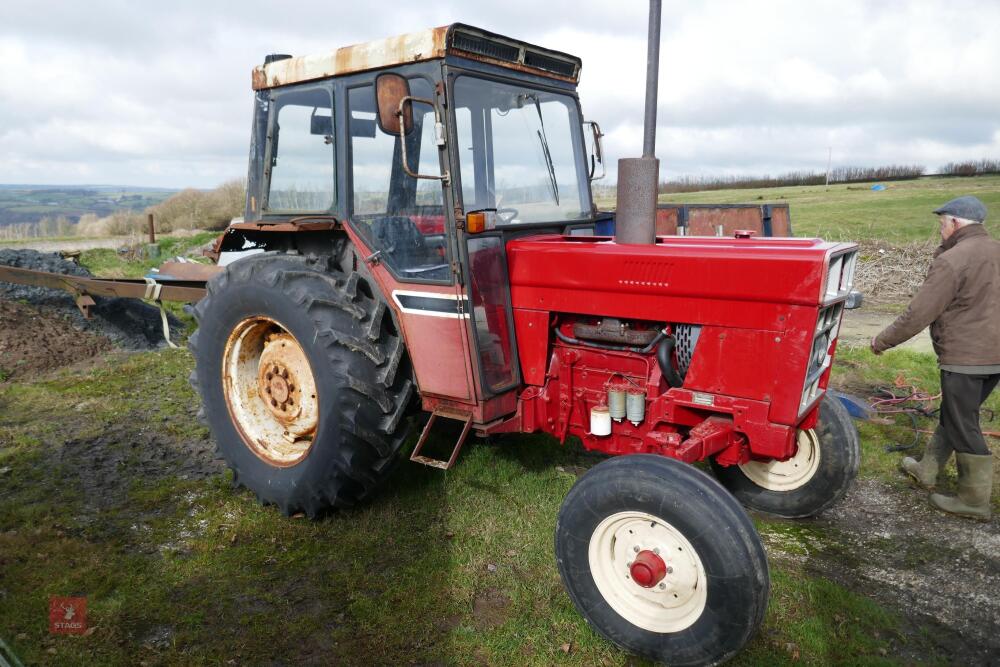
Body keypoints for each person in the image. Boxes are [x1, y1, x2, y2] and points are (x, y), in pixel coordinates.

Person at [872, 195, 999, 520]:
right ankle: (928, 469)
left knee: (963, 423)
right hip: (993, 357)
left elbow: (919, 313)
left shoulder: (954, 260)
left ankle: (974, 501)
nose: (940, 229)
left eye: (942, 223)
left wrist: (882, 340)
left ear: (955, 222)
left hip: (966, 357)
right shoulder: (996, 249)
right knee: (957, 413)